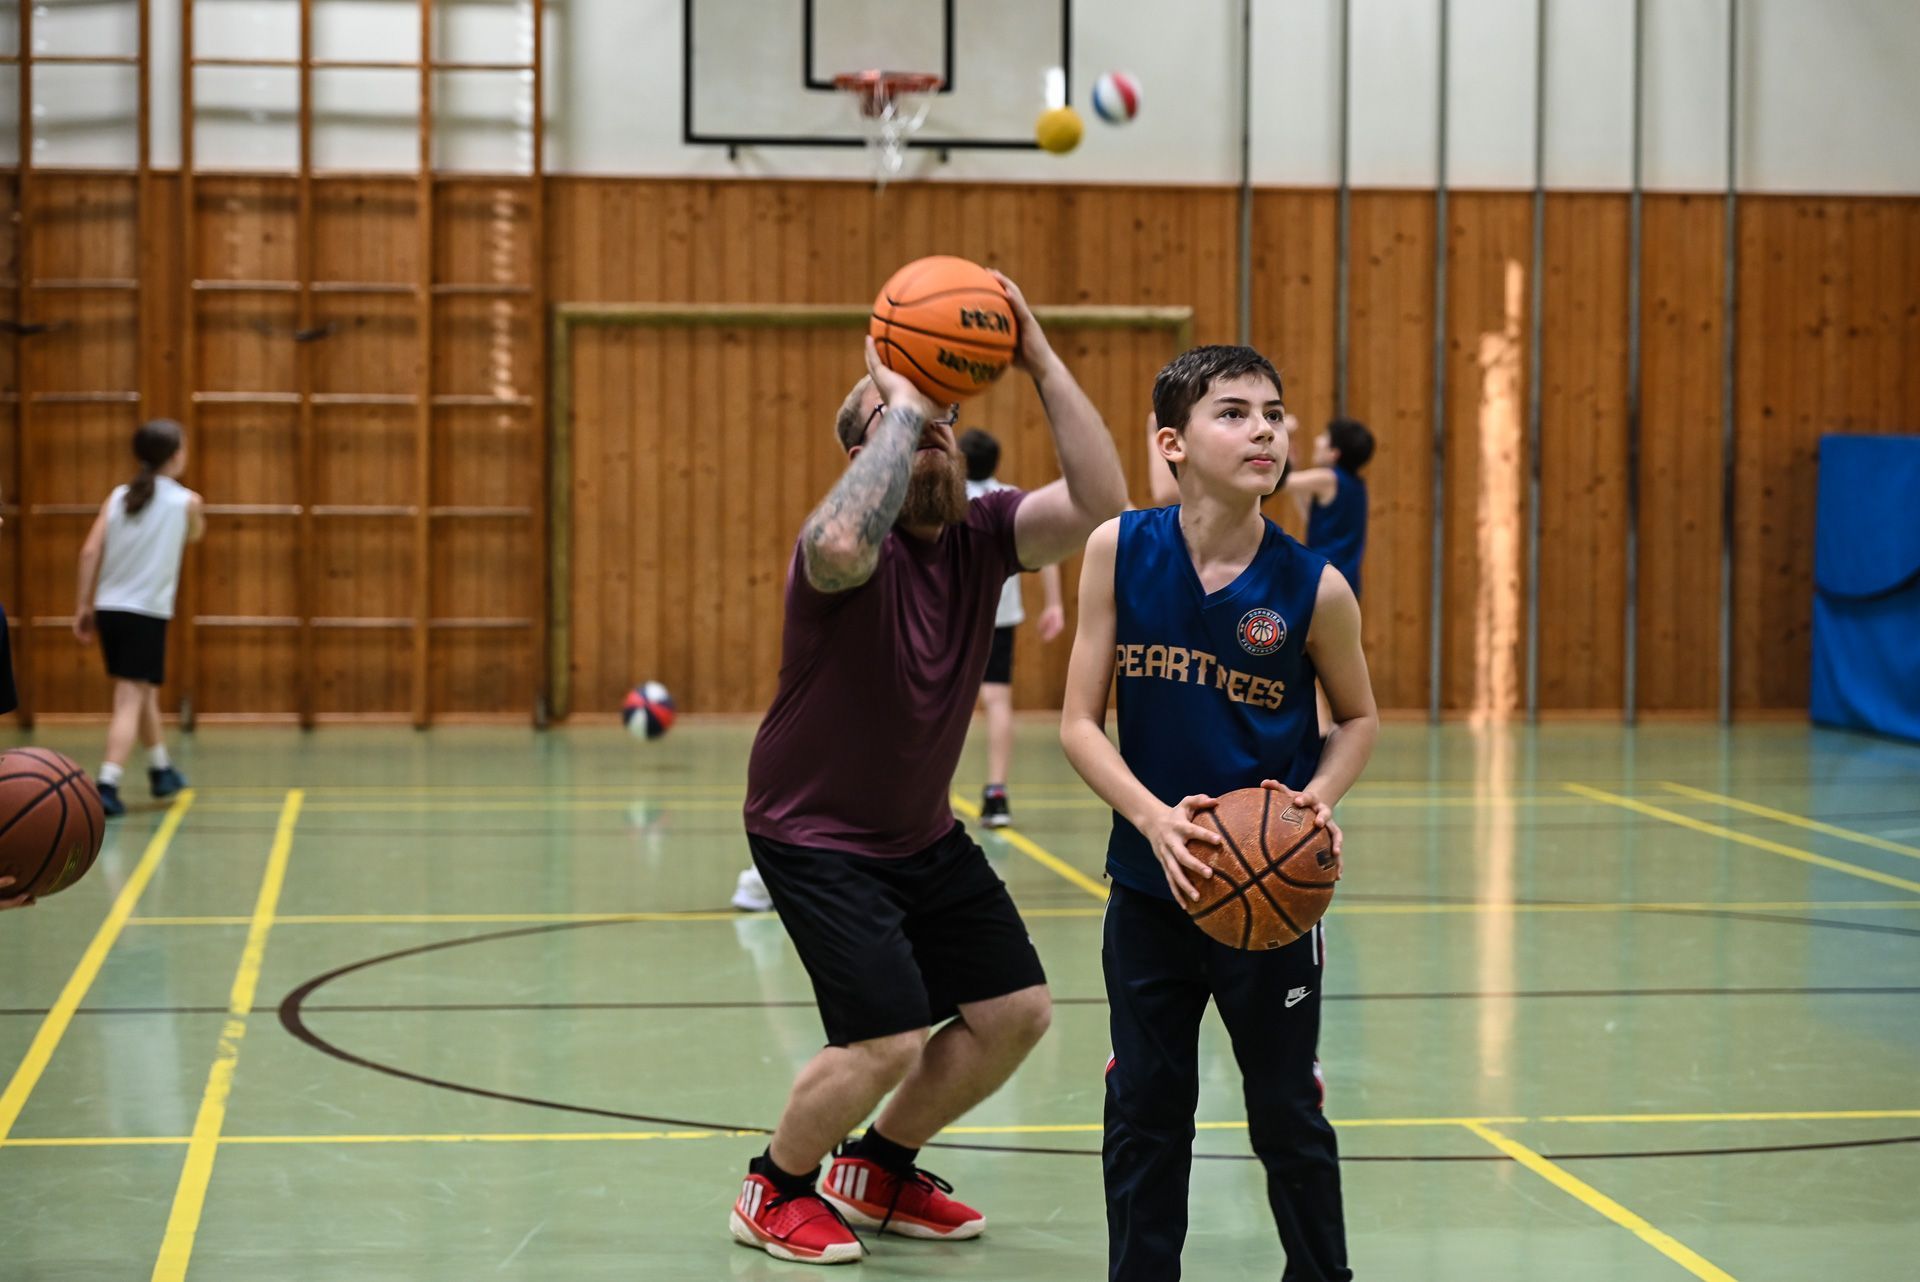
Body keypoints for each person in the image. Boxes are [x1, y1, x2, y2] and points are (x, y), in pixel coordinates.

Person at [729, 273, 1128, 1266]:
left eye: (947, 409)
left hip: (918, 832)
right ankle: (773, 1186)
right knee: (888, 1036)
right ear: (868, 452)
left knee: (1015, 1014)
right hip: (812, 831)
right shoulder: (837, 555)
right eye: (910, 417)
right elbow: (837, 538)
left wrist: (1033, 352)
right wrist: (898, 407)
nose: (937, 424)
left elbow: (1104, 503)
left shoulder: (985, 538)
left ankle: (880, 1165)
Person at [1059, 345, 1379, 1281]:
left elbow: (1357, 719)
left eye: (1275, 414)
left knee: (1286, 1110)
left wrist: (1313, 805)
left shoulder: (1315, 587)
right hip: (1150, 892)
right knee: (1148, 1112)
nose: (1266, 432)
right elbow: (1079, 723)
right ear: (1173, 443)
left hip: (1270, 907)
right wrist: (1155, 820)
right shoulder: (1118, 549)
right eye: (1234, 413)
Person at [72, 419, 203, 817]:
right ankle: (107, 783)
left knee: (142, 690)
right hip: (145, 612)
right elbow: (195, 534)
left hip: (111, 609)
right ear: (176, 454)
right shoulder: (187, 502)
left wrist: (83, 605)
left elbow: (89, 552)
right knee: (130, 696)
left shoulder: (118, 497)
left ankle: (161, 769)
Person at [958, 427, 1065, 828]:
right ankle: (997, 794)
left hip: (952, 618)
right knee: (998, 700)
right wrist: (1054, 604)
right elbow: (1049, 548)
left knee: (942, 698)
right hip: (999, 616)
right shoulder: (1011, 499)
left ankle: (927, 795)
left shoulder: (947, 499)